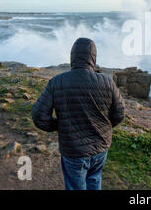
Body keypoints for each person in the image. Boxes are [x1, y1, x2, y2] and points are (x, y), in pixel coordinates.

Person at [32, 38, 124, 190]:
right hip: (100, 147)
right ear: (93, 58)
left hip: (73, 150)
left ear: (72, 56)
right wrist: (104, 126)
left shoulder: (57, 82)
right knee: (94, 180)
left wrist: (59, 126)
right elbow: (119, 113)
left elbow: (38, 116)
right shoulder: (107, 82)